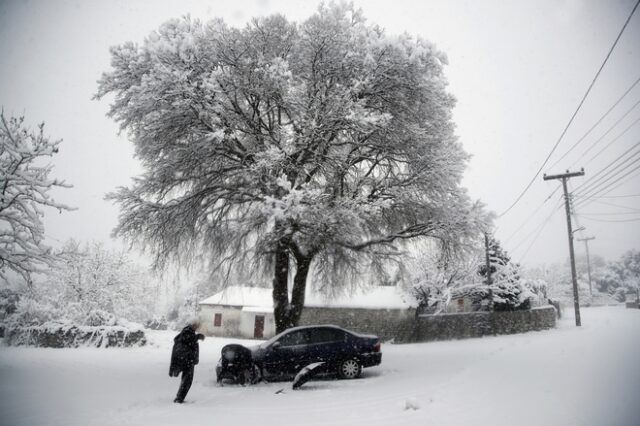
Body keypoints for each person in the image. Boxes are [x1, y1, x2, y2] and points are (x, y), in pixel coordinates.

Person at [169, 318, 205, 403]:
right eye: (197, 325)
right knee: (187, 380)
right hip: (187, 360)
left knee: (186, 380)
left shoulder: (188, 331)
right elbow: (188, 340)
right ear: (194, 324)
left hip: (187, 359)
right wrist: (197, 337)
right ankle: (179, 398)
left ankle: (179, 397)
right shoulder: (187, 331)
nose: (198, 327)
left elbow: (188, 340)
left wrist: (196, 337)